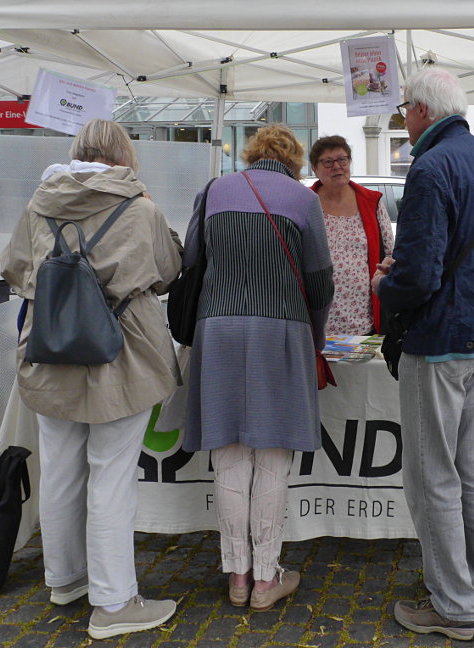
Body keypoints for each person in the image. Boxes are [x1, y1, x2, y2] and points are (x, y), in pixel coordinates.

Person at [0, 119, 182, 640]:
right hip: (121, 357)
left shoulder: (40, 204)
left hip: (50, 352)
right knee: (111, 476)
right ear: (124, 154)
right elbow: (169, 270)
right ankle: (114, 601)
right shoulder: (140, 207)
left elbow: (13, 269)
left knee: (58, 468)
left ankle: (65, 578)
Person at [372, 68, 474, 641]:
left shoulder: (430, 167)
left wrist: (386, 284)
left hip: (439, 341)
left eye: (405, 107)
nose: (402, 117)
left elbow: (420, 273)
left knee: (434, 478)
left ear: (424, 111)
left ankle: (454, 606)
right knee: (471, 471)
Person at [182, 124, 334, 611]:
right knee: (271, 456)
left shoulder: (214, 191)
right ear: (294, 161)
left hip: (219, 330)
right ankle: (268, 579)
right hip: (281, 332)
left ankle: (239, 576)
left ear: (250, 156)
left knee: (228, 455)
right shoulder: (303, 199)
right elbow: (321, 280)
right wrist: (313, 333)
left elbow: (191, 261)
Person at [309, 136, 394, 335]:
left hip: (364, 324)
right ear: (315, 168)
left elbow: (390, 254)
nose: (337, 166)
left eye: (342, 160)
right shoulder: (305, 204)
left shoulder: (372, 202)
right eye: (328, 162)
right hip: (318, 323)